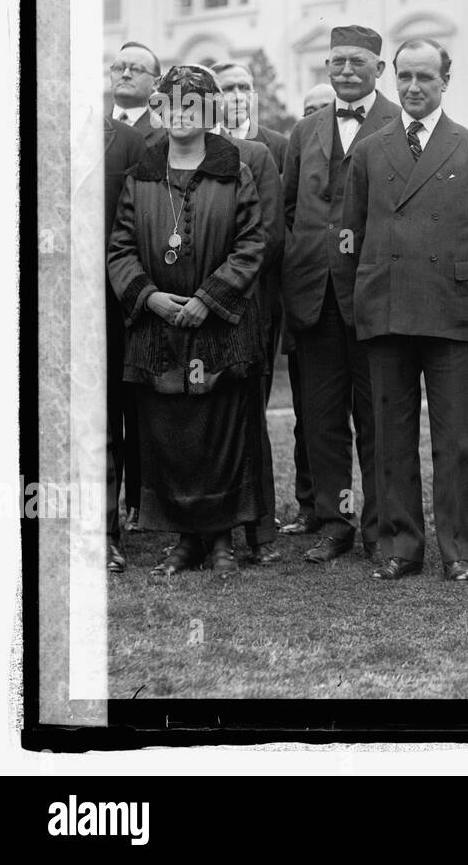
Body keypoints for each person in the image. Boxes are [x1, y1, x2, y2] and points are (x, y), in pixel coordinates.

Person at [343, 38, 468, 581]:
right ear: (393, 77)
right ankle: (400, 548)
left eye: (425, 78)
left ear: (445, 81)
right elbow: (353, 230)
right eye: (405, 77)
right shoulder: (369, 150)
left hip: (451, 311)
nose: (413, 88)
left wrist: (449, 271)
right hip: (387, 308)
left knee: (455, 439)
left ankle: (458, 551)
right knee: (391, 434)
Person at [107, 64, 267, 577]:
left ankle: (220, 540)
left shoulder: (234, 168)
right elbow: (120, 249)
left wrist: (208, 298)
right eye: (171, 103)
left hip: (219, 328)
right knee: (169, 434)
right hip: (158, 331)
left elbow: (251, 245)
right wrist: (149, 298)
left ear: (208, 111)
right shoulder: (142, 173)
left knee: (217, 433)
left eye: (191, 103)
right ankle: (184, 542)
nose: (180, 113)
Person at [282, 25, 398, 565]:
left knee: (377, 415)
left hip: (375, 297)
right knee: (322, 417)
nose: (346, 72)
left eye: (357, 62)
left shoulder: (400, 123)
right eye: (336, 62)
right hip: (314, 296)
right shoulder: (305, 131)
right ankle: (334, 522)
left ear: (379, 68)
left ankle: (379, 525)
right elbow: (287, 211)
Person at [210, 70, 286, 564]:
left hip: (248, 304)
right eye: (225, 89)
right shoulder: (181, 152)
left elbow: (271, 236)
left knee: (248, 413)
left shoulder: (262, 153)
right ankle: (206, 529)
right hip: (191, 307)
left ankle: (258, 530)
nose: (235, 97)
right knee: (199, 413)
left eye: (243, 88)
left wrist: (226, 287)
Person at [279, 84, 336, 536]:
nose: (317, 116)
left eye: (324, 108)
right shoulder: (299, 143)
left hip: (358, 299)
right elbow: (289, 210)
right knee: (311, 416)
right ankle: (314, 507)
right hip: (308, 298)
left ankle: (368, 517)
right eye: (309, 110)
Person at [102, 114, 146, 572]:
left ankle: (104, 535)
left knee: (102, 423)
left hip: (105, 305)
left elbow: (137, 226)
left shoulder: (128, 141)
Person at [108, 41, 167, 146]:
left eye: (136, 69)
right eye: (118, 68)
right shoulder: (89, 130)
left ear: (156, 83)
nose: (125, 75)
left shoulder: (165, 137)